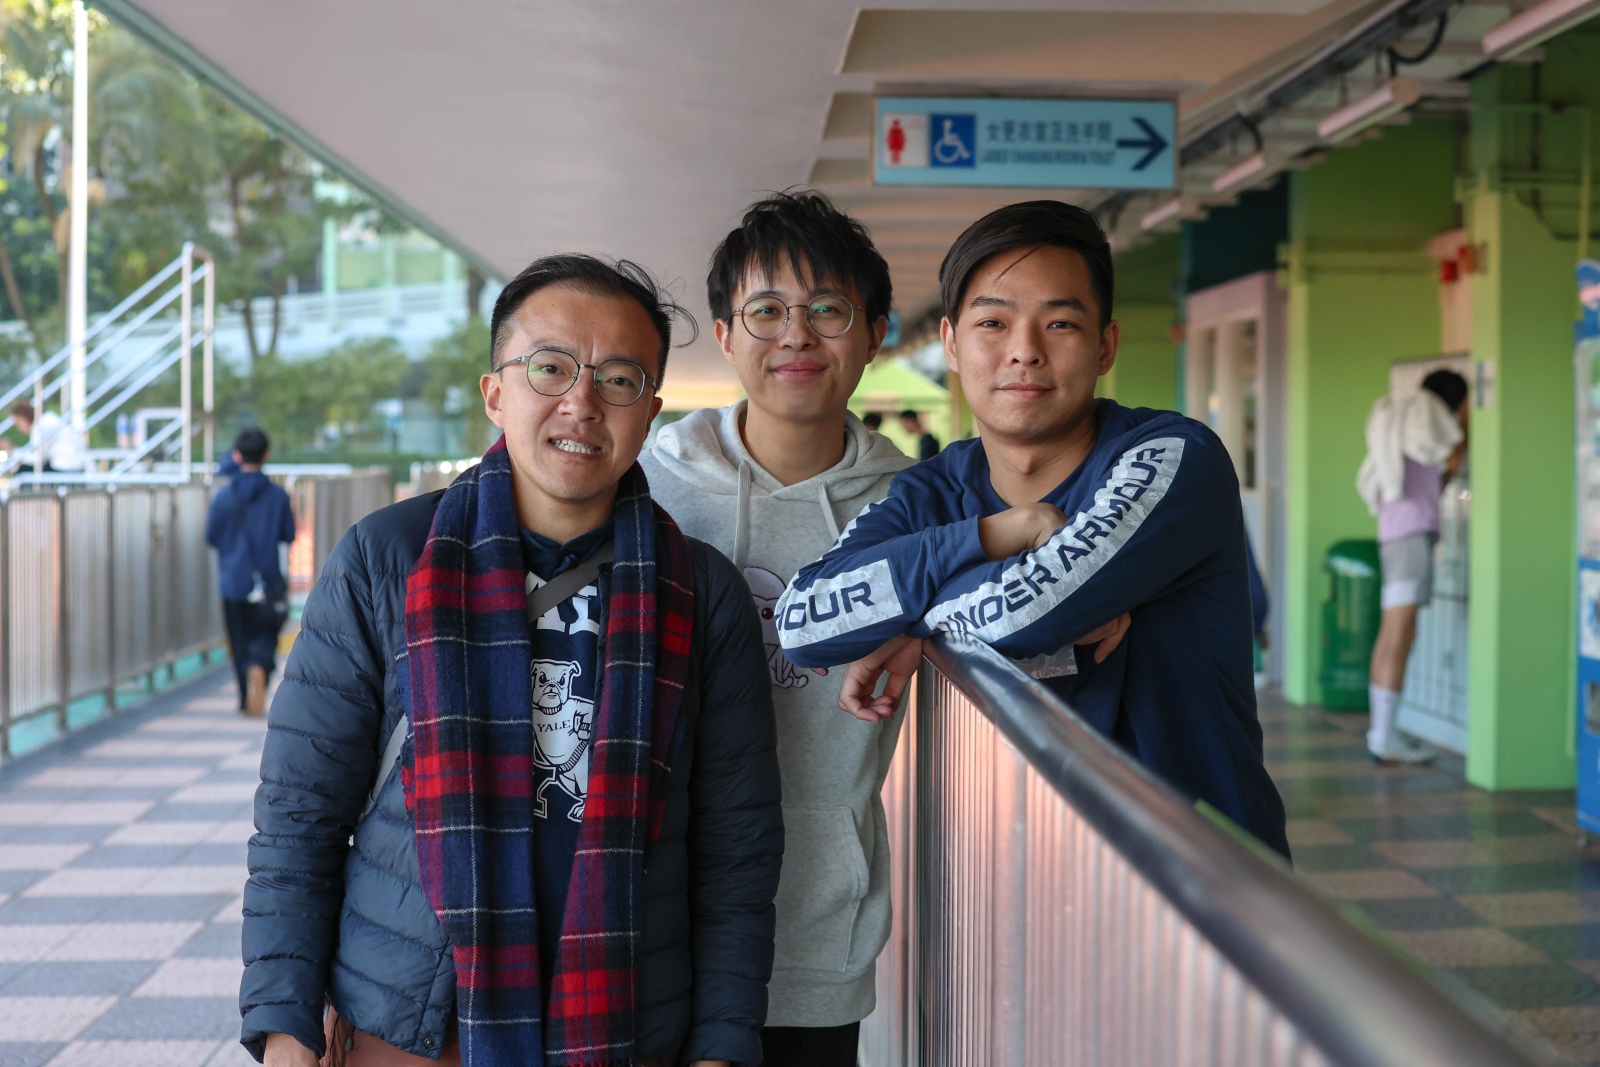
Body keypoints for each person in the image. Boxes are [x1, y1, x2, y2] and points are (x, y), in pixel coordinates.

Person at [240, 254, 782, 1067]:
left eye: (619, 379)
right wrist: (286, 1024)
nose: (581, 402)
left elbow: (737, 851)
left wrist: (721, 1048)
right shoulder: (388, 559)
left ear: (650, 413)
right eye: (550, 368)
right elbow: (300, 811)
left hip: (624, 1030)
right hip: (411, 1031)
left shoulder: (701, 594)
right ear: (496, 393)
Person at [776, 200, 1290, 858]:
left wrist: (908, 622)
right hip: (1027, 876)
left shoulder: (1169, 458)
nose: (1024, 351)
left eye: (1060, 323)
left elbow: (1026, 613)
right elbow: (803, 622)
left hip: (1200, 879)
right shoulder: (932, 491)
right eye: (993, 322)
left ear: (1105, 345)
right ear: (952, 343)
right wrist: (991, 539)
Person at [640, 190, 913, 1067]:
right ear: (725, 334)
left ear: (875, 334)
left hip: (816, 926)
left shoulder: (916, 510)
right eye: (766, 310)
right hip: (648, 914)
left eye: (828, 309)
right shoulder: (647, 488)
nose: (797, 334)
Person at [1356, 368, 1469, 764]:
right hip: (1411, 538)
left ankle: (1381, 732)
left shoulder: (1403, 427)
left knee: (1393, 632)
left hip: (1395, 534)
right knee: (1399, 632)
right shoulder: (1427, 422)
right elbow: (1454, 454)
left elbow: (1439, 478)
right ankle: (1383, 737)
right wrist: (1466, 425)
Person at [205, 428, 295, 717]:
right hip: (267, 579)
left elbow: (211, 536)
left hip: (233, 580)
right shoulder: (278, 496)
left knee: (238, 637)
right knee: (267, 632)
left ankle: (245, 697)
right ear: (266, 454)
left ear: (237, 456)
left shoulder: (224, 496)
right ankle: (260, 667)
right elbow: (289, 534)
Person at [10, 400, 86, 473]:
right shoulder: (46, 419)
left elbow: (39, 458)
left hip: (66, 468)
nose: (19, 428)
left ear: (24, 418)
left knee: (23, 469)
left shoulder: (42, 425)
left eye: (18, 422)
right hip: (74, 465)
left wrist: (15, 452)